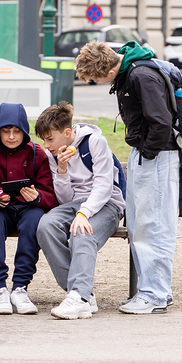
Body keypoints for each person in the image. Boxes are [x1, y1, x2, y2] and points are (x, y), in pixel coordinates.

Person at [74, 40, 180, 315]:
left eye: (96, 78)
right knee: (142, 222)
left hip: (155, 155)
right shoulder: (133, 71)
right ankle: (157, 290)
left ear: (109, 71)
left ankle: (154, 294)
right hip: (149, 153)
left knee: (151, 224)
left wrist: (147, 152)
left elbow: (161, 121)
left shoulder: (139, 75)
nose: (97, 83)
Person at [35, 101, 125, 320]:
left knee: (82, 232)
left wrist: (83, 214)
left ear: (67, 133)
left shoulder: (95, 142)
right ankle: (81, 294)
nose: (46, 145)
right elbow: (65, 199)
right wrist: (62, 169)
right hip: (76, 205)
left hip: (107, 204)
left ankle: (79, 297)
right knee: (46, 225)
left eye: (50, 139)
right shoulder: (53, 155)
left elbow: (104, 187)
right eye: (44, 140)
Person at [0, 103, 57, 315]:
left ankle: (20, 287)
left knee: (35, 220)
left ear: (24, 131)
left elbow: (50, 195)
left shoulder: (37, 153)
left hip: (28, 207)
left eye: (17, 131)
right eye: (6, 131)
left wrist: (37, 196)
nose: (11, 136)